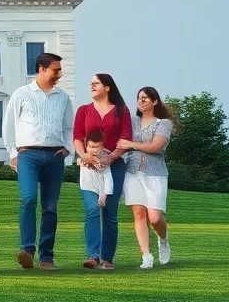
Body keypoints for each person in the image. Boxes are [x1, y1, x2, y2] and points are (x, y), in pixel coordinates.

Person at [3, 51, 75, 270]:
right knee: (28, 199)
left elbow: (68, 127)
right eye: (56, 70)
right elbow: (9, 125)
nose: (60, 74)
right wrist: (13, 154)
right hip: (28, 155)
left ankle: (46, 257)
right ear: (42, 69)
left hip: (54, 156)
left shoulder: (62, 97)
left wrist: (67, 149)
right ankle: (27, 250)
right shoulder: (22, 94)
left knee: (50, 207)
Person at [73, 72, 133, 270]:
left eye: (96, 83)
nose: (91, 86)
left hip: (114, 167)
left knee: (109, 213)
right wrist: (84, 156)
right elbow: (77, 137)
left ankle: (108, 258)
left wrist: (110, 157)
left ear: (108, 87)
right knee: (91, 210)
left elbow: (125, 139)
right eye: (90, 83)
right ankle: (93, 256)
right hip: (88, 168)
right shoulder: (83, 111)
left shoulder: (121, 111)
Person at [117, 86, 176, 268]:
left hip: (155, 173)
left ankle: (163, 240)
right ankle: (146, 257)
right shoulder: (131, 121)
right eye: (139, 98)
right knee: (138, 212)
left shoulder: (164, 123)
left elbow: (155, 147)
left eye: (145, 98)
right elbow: (120, 141)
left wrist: (131, 144)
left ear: (155, 101)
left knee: (155, 217)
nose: (141, 100)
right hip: (132, 171)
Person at [78, 129, 115, 268]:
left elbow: (108, 177)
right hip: (87, 187)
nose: (94, 150)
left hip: (101, 190)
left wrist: (105, 194)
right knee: (92, 210)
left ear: (102, 146)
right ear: (86, 146)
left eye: (97, 147)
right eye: (91, 147)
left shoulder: (105, 157)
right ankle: (93, 255)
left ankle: (104, 256)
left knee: (106, 217)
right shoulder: (84, 156)